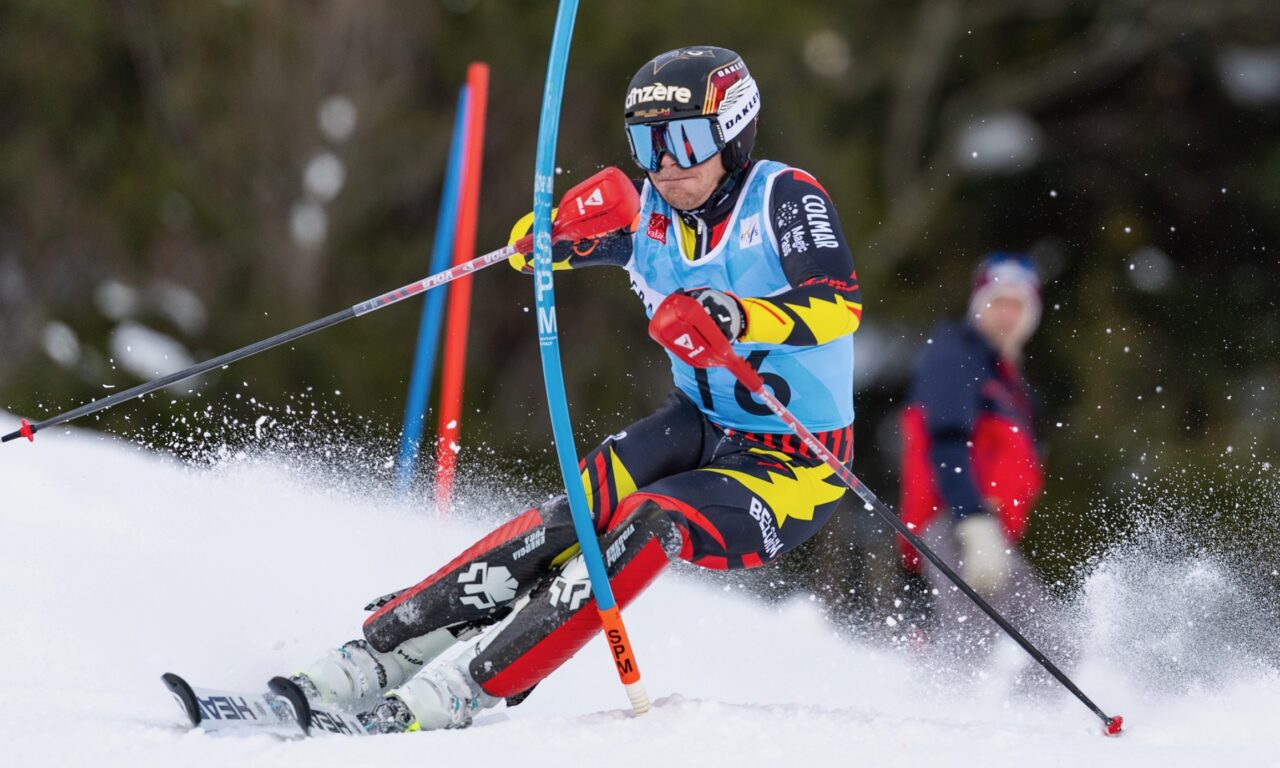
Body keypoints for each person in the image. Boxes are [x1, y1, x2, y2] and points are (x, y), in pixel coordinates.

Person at [289, 45, 863, 733]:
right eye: (649, 145)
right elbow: (553, 245)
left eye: (684, 140)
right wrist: (543, 235)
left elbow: (838, 303)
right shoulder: (650, 207)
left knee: (650, 521)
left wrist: (742, 316)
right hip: (701, 424)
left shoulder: (782, 199)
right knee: (578, 511)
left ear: (733, 134)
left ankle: (473, 686)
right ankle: (374, 656)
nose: (667, 165)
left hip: (797, 460)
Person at [897, 253, 1050, 647]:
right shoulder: (957, 352)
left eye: (1018, 305)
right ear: (980, 305)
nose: (1008, 314)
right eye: (999, 302)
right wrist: (972, 519)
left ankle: (1047, 711)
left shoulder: (1008, 378)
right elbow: (946, 440)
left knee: (1049, 645)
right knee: (972, 648)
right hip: (956, 524)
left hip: (987, 529)